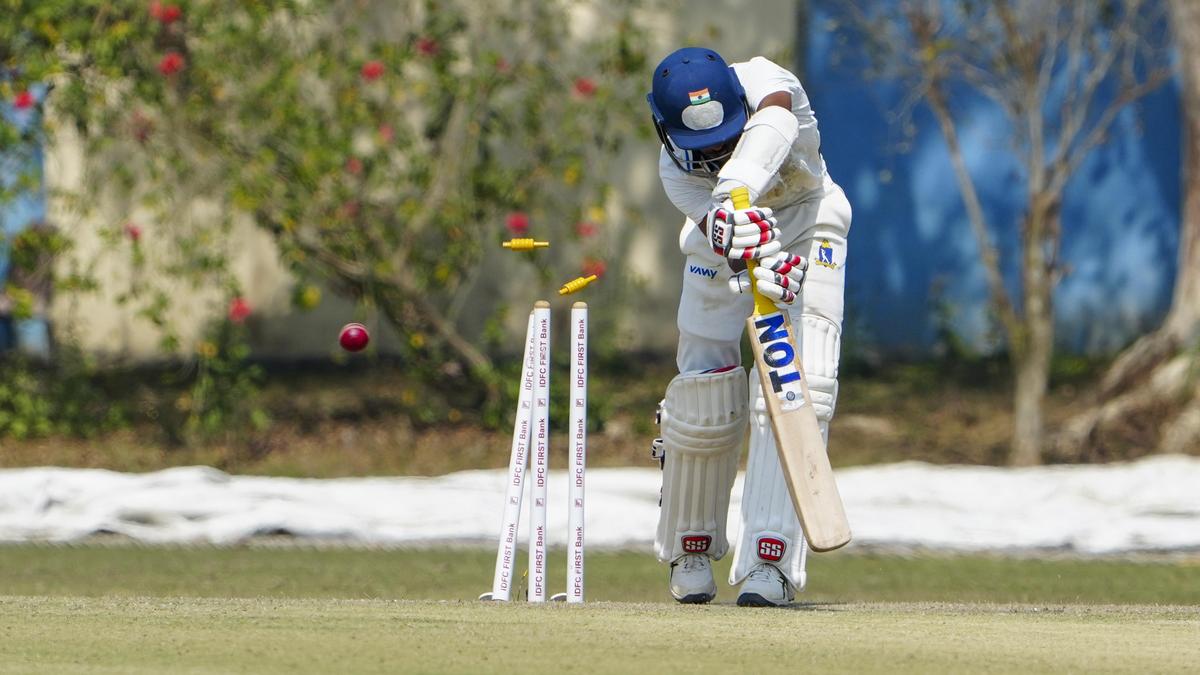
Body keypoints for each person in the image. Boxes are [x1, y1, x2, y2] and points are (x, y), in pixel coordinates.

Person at [647, 47, 851, 606]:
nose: (713, 152)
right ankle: (689, 547)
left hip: (811, 223)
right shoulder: (676, 175)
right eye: (700, 147)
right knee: (702, 391)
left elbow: (778, 118)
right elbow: (726, 235)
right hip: (733, 239)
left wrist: (734, 191)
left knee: (799, 384)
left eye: (725, 137)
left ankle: (771, 560)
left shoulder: (768, 82)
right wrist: (753, 257)